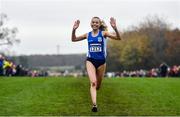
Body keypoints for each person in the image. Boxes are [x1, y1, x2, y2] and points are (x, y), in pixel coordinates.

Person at [71, 17, 121, 112]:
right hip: (90, 61)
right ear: (91, 23)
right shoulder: (87, 35)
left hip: (101, 62)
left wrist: (115, 28)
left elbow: (118, 38)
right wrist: (74, 30)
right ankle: (94, 105)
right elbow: (73, 39)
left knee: (97, 86)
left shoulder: (103, 34)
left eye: (96, 23)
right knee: (93, 83)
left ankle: (96, 90)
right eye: (93, 22)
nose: (95, 24)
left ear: (99, 24)